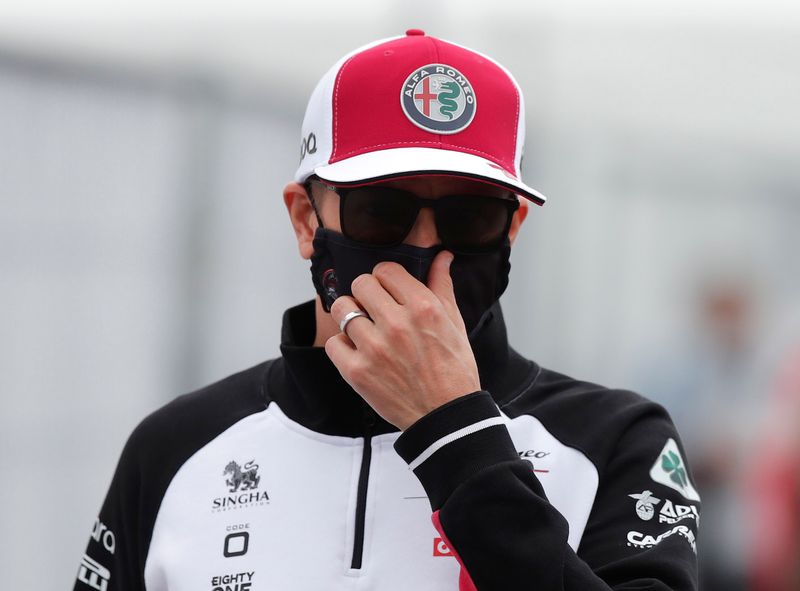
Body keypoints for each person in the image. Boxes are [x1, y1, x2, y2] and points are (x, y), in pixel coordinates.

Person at [74, 30, 700, 591]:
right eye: (381, 211)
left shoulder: (613, 439)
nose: (425, 249)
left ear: (511, 229)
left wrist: (455, 432)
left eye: (468, 217)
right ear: (304, 220)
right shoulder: (177, 447)